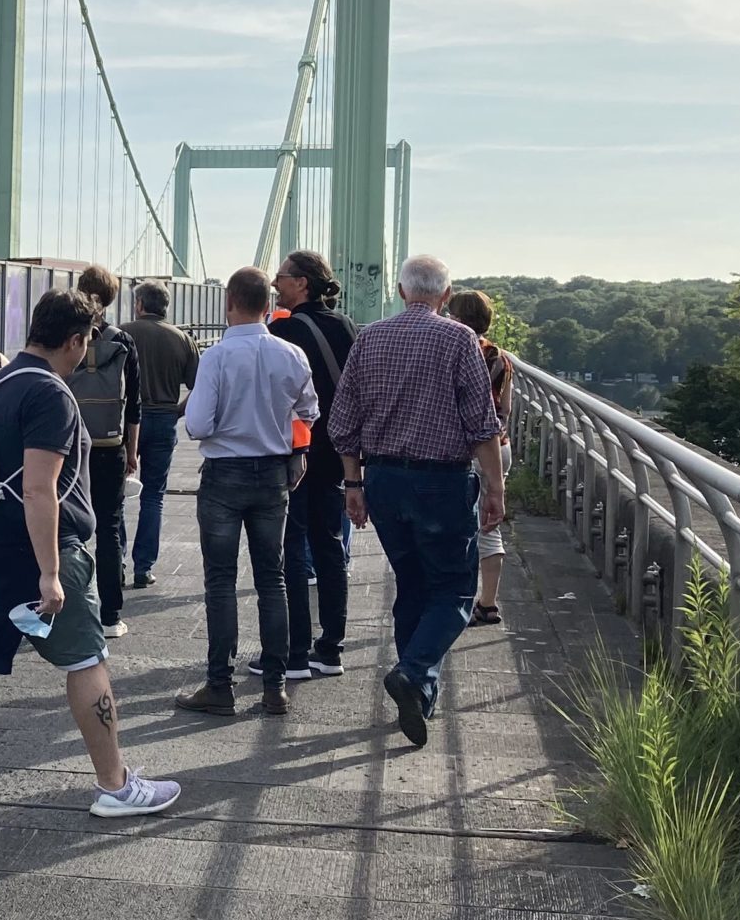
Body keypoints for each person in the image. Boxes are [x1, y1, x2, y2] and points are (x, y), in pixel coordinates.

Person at [0, 290, 180, 821]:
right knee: (86, 660)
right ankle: (115, 786)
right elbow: (38, 487)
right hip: (37, 549)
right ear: (73, 340)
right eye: (85, 343)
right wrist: (51, 572)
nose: (84, 352)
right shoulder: (50, 394)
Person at [329, 253, 507, 747]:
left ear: (401, 291)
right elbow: (482, 424)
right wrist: (495, 488)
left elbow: (343, 421)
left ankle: (419, 692)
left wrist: (353, 485)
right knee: (454, 590)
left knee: (411, 585)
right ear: (446, 295)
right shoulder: (460, 339)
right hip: (441, 484)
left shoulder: (369, 338)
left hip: (383, 480)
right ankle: (412, 671)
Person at [176, 267, 318, 717]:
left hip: (224, 475)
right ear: (266, 304)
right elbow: (309, 411)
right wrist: (288, 443)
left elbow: (199, 424)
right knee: (272, 579)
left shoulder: (217, 356)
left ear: (230, 303)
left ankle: (220, 686)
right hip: (273, 475)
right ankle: (275, 687)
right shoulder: (291, 354)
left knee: (220, 581)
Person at [269, 251, 358, 676]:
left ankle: (296, 652)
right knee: (330, 545)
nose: (275, 284)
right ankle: (331, 649)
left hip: (297, 451)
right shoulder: (345, 325)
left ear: (302, 283)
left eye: (281, 277)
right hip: (337, 451)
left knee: (291, 548)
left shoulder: (284, 330)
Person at [67, 264, 142, 637]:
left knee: (66, 528)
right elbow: (134, 406)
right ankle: (111, 616)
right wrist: (132, 451)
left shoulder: (65, 336)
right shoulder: (123, 341)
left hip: (68, 446)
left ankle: (67, 609)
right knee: (109, 527)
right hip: (111, 446)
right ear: (112, 299)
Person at [120, 282, 198, 589]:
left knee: (117, 494)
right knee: (154, 496)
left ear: (139, 304)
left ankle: (117, 561)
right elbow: (199, 386)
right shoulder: (182, 339)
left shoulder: (122, 333)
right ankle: (144, 568)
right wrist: (177, 411)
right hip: (164, 419)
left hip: (127, 421)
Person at [447, 289, 516, 625]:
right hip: (500, 447)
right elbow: (506, 408)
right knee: (490, 527)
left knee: (456, 527)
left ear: (458, 317)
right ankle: (488, 603)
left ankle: (452, 600)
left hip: (468, 449)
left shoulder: (453, 350)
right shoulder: (501, 358)